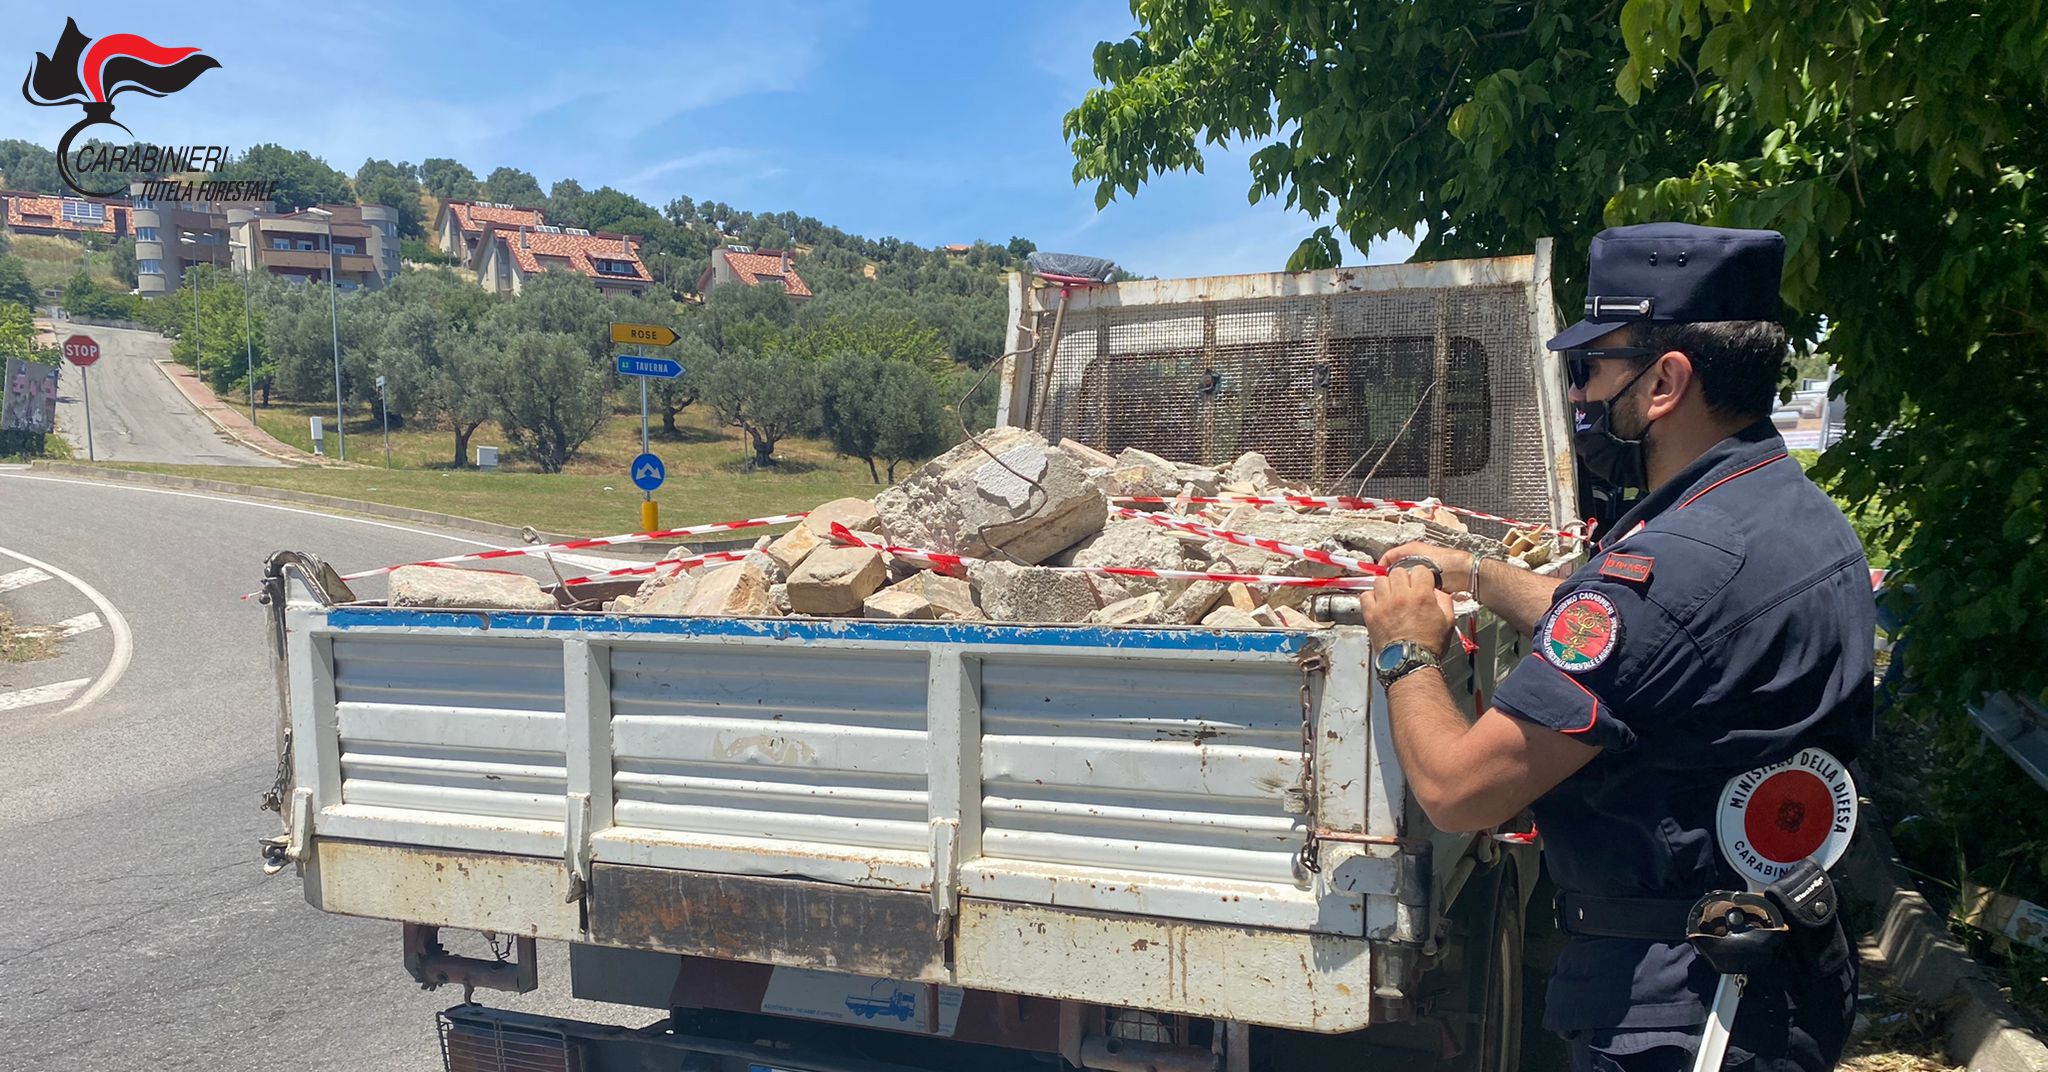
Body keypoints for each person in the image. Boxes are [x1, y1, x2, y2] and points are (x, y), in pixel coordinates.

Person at [1361, 223, 1875, 1071]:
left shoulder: (1674, 568)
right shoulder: (1787, 514)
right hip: (1780, 968)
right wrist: (1477, 573)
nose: (1580, 398)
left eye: (1590, 370)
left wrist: (1407, 651)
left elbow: (1460, 792)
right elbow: (1639, 631)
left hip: (1682, 1014)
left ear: (1667, 380)